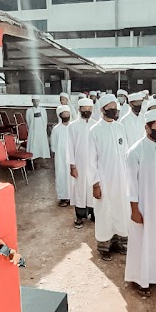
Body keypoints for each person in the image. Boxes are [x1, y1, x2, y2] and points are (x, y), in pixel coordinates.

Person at [125, 109, 156, 297]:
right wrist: (134, 209)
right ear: (147, 127)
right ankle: (142, 279)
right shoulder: (135, 151)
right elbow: (130, 184)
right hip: (143, 206)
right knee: (143, 242)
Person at [89, 94, 130, 260]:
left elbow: (126, 153)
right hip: (104, 180)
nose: (114, 111)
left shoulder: (120, 127)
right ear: (102, 110)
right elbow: (91, 161)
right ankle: (104, 246)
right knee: (105, 211)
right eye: (110, 108)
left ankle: (120, 241)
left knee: (121, 210)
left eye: (115, 108)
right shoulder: (94, 131)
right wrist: (95, 184)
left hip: (121, 179)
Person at [67, 98, 97, 228]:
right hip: (79, 164)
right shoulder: (72, 126)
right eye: (84, 109)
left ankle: (94, 214)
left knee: (93, 188)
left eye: (89, 109)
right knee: (79, 190)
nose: (86, 111)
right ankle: (79, 216)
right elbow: (69, 147)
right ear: (79, 110)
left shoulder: (96, 125)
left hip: (94, 165)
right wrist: (72, 165)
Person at [50, 105, 72, 207]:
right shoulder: (56, 129)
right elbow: (53, 146)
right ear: (60, 115)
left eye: (67, 113)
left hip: (72, 156)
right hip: (60, 157)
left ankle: (73, 197)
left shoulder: (73, 127)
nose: (66, 115)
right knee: (62, 176)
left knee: (72, 176)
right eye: (64, 114)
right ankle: (64, 197)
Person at [25, 97, 51, 166]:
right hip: (33, 131)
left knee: (42, 145)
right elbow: (28, 121)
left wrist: (43, 128)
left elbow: (45, 120)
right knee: (34, 145)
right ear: (32, 101)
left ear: (39, 101)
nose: (36, 103)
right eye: (34, 101)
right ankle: (34, 162)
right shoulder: (29, 110)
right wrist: (31, 129)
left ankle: (43, 161)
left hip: (41, 131)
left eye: (37, 101)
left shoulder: (43, 110)